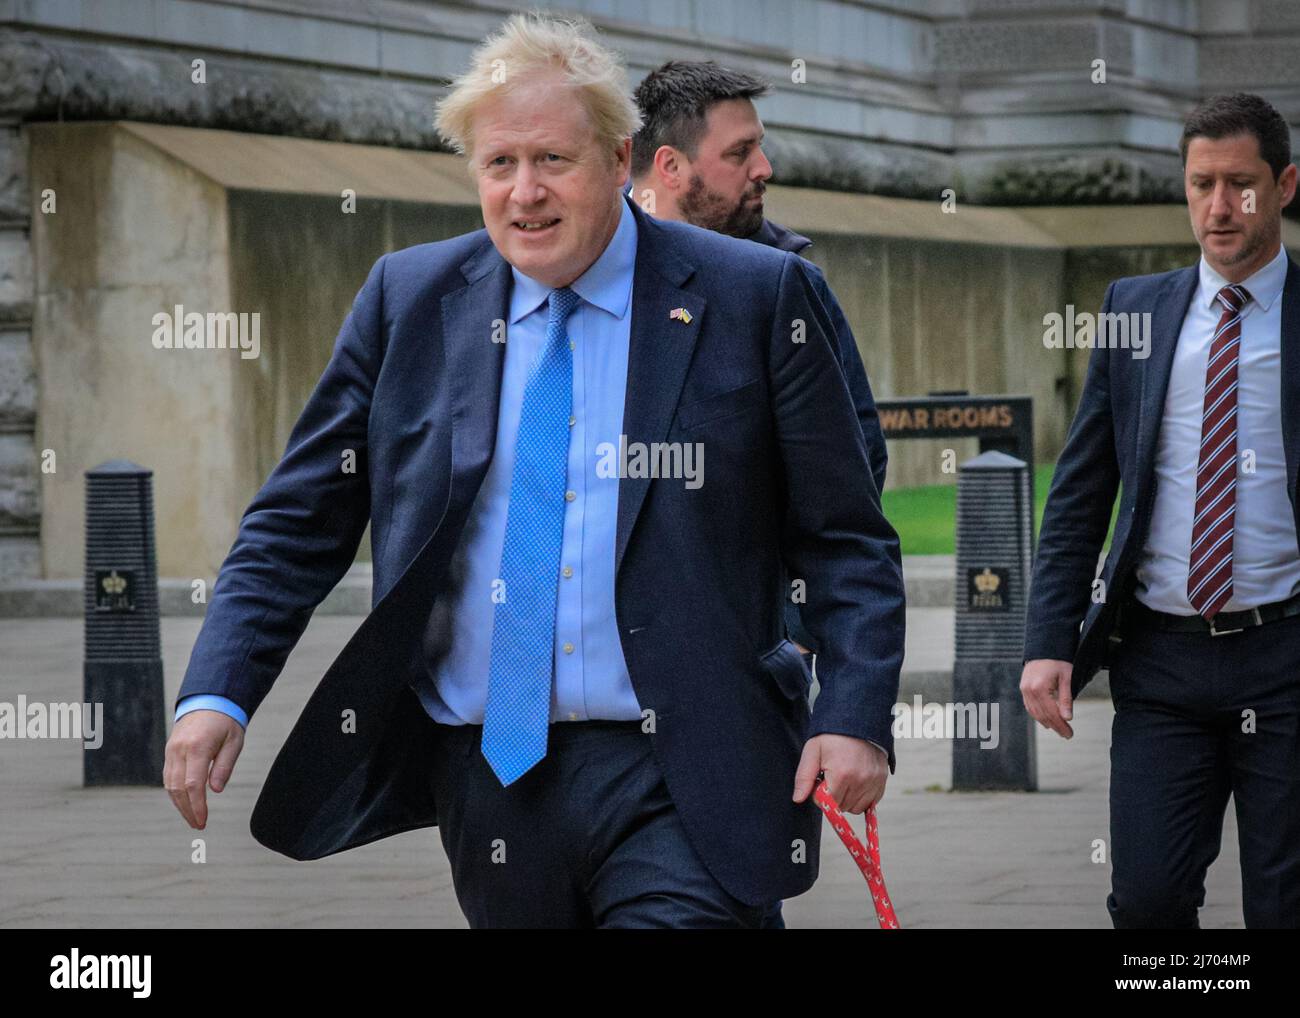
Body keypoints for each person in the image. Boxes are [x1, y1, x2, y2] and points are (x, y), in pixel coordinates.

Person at [163, 12, 906, 929]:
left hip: (687, 766)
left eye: (552, 161)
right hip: (490, 774)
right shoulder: (410, 300)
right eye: (499, 164)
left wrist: (857, 710)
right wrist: (217, 690)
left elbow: (844, 533)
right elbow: (297, 520)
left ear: (618, 157)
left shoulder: (752, 296)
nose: (524, 194)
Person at [1022, 92, 1300, 928]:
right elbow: (1080, 491)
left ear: (1285, 184)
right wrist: (1046, 643)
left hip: (1286, 658)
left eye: (1241, 184)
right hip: (1161, 664)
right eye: (1200, 184)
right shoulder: (1132, 310)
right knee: (1146, 902)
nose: (1219, 207)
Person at [630, 58, 892, 930]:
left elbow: (851, 483)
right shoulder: (566, 284)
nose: (764, 170)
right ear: (669, 169)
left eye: (759, 149)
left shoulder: (786, 283)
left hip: (728, 702)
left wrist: (822, 668)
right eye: (740, 153)